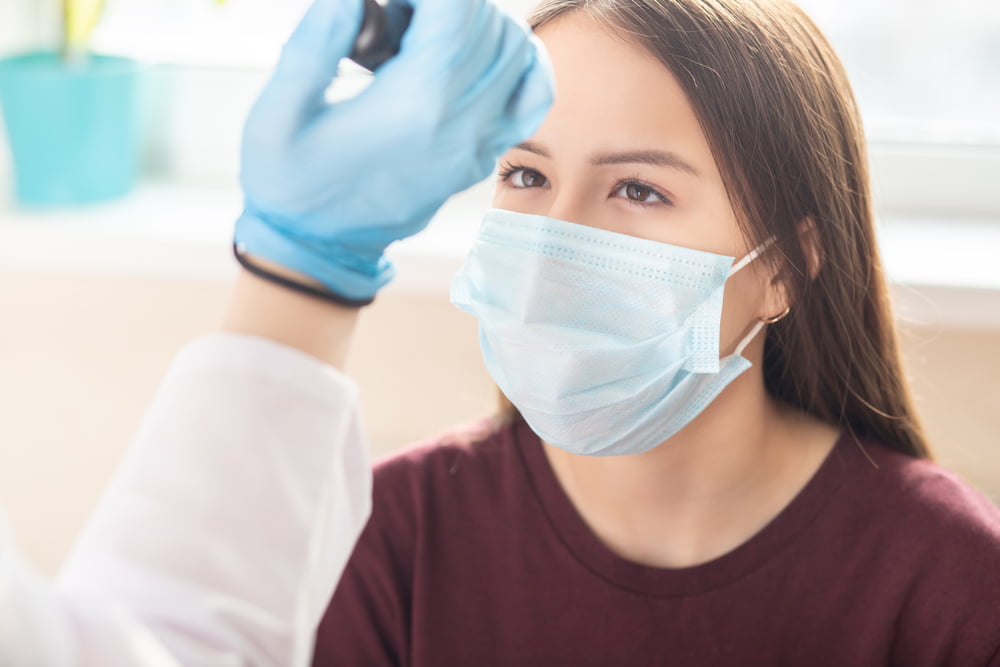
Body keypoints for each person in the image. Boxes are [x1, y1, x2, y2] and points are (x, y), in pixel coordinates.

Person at [312, 0, 1000, 665]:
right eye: (526, 173)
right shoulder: (388, 532)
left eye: (639, 189)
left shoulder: (954, 583)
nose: (551, 250)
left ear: (783, 268)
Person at [0, 0, 553, 663]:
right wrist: (307, 261)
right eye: (527, 174)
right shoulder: (410, 522)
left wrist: (304, 262)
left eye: (639, 190)